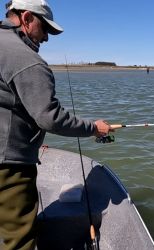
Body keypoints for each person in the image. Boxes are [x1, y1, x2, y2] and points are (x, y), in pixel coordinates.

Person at [0, 1, 113, 249]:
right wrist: (94, 128)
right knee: (20, 240)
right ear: (27, 18)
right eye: (45, 29)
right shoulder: (26, 59)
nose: (47, 39)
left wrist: (30, 136)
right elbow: (49, 117)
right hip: (8, 168)